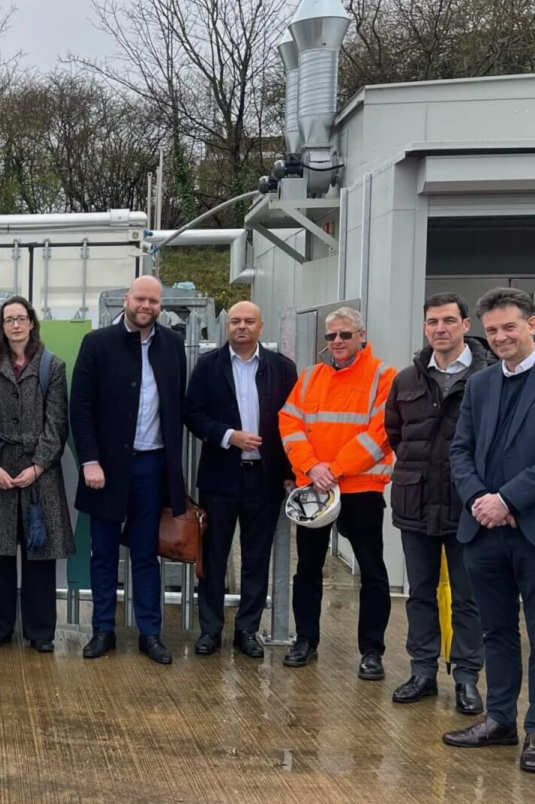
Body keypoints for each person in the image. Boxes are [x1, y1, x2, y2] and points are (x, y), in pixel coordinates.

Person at [443, 288, 535, 774]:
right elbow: (460, 450)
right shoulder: (480, 383)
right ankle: (500, 720)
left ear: (532, 325)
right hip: (484, 530)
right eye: (492, 330)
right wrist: (480, 501)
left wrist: (506, 500)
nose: (501, 337)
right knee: (497, 632)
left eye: (509, 327)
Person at [69, 275, 189, 664]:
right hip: (105, 468)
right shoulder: (97, 343)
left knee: (145, 553)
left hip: (153, 466)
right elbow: (80, 407)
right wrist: (90, 460)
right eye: (141, 298)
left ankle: (150, 633)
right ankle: (102, 629)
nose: (146, 306)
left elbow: (177, 404)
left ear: (160, 305)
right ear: (127, 299)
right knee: (103, 552)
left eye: (154, 300)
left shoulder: (172, 345)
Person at [385, 293, 492, 715]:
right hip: (416, 501)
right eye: (433, 322)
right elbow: (395, 433)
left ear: (466, 324)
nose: (440, 329)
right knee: (419, 594)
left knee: (469, 597)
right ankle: (422, 672)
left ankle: (466, 678)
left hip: (468, 506)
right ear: (425, 327)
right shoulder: (406, 379)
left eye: (448, 320)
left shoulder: (488, 377)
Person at [278, 306, 395, 678]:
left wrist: (335, 469)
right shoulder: (310, 377)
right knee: (307, 569)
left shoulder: (383, 376)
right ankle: (305, 640)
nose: (338, 341)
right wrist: (312, 466)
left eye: (345, 334)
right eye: (331, 336)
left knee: (372, 571)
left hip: (361, 487)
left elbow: (381, 433)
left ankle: (372, 651)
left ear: (362, 335)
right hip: (314, 487)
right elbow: (289, 422)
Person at [184, 301, 297, 659]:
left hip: (265, 479)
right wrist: (227, 435)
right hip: (220, 478)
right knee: (213, 557)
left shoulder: (282, 368)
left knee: (256, 558)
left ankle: (247, 630)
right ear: (227, 327)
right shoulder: (208, 366)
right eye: (235, 321)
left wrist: (291, 473)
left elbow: (296, 422)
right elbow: (192, 413)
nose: (242, 327)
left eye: (249, 321)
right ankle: (210, 630)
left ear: (261, 327)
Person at [0, 297, 73, 654]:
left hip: (39, 474)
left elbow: (57, 424)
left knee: (39, 553)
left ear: (31, 322)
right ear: (1, 326)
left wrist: (38, 465)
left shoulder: (51, 366)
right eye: (8, 319)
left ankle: (40, 631)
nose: (15, 325)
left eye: (21, 318)